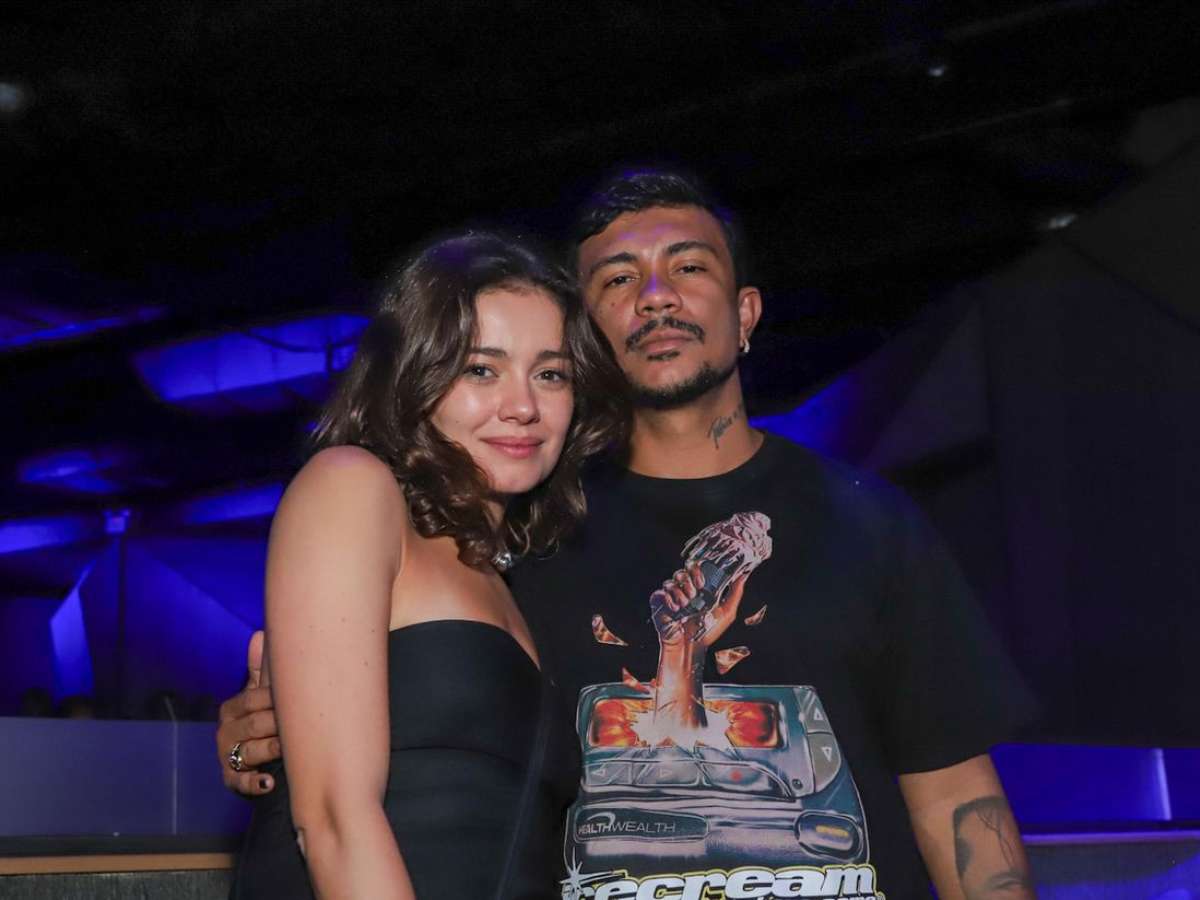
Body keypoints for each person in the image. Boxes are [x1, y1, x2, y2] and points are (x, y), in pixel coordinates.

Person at [219, 172, 1037, 899]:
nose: (655, 297)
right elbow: (392, 725)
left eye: (689, 267)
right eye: (618, 278)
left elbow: (954, 793)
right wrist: (264, 729)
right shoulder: (528, 539)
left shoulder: (871, 521)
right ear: (590, 337)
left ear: (745, 314)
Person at [227, 231, 629, 900]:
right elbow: (334, 821)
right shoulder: (354, 488)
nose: (523, 406)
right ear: (416, 378)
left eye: (551, 374)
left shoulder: (521, 579)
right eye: (481, 369)